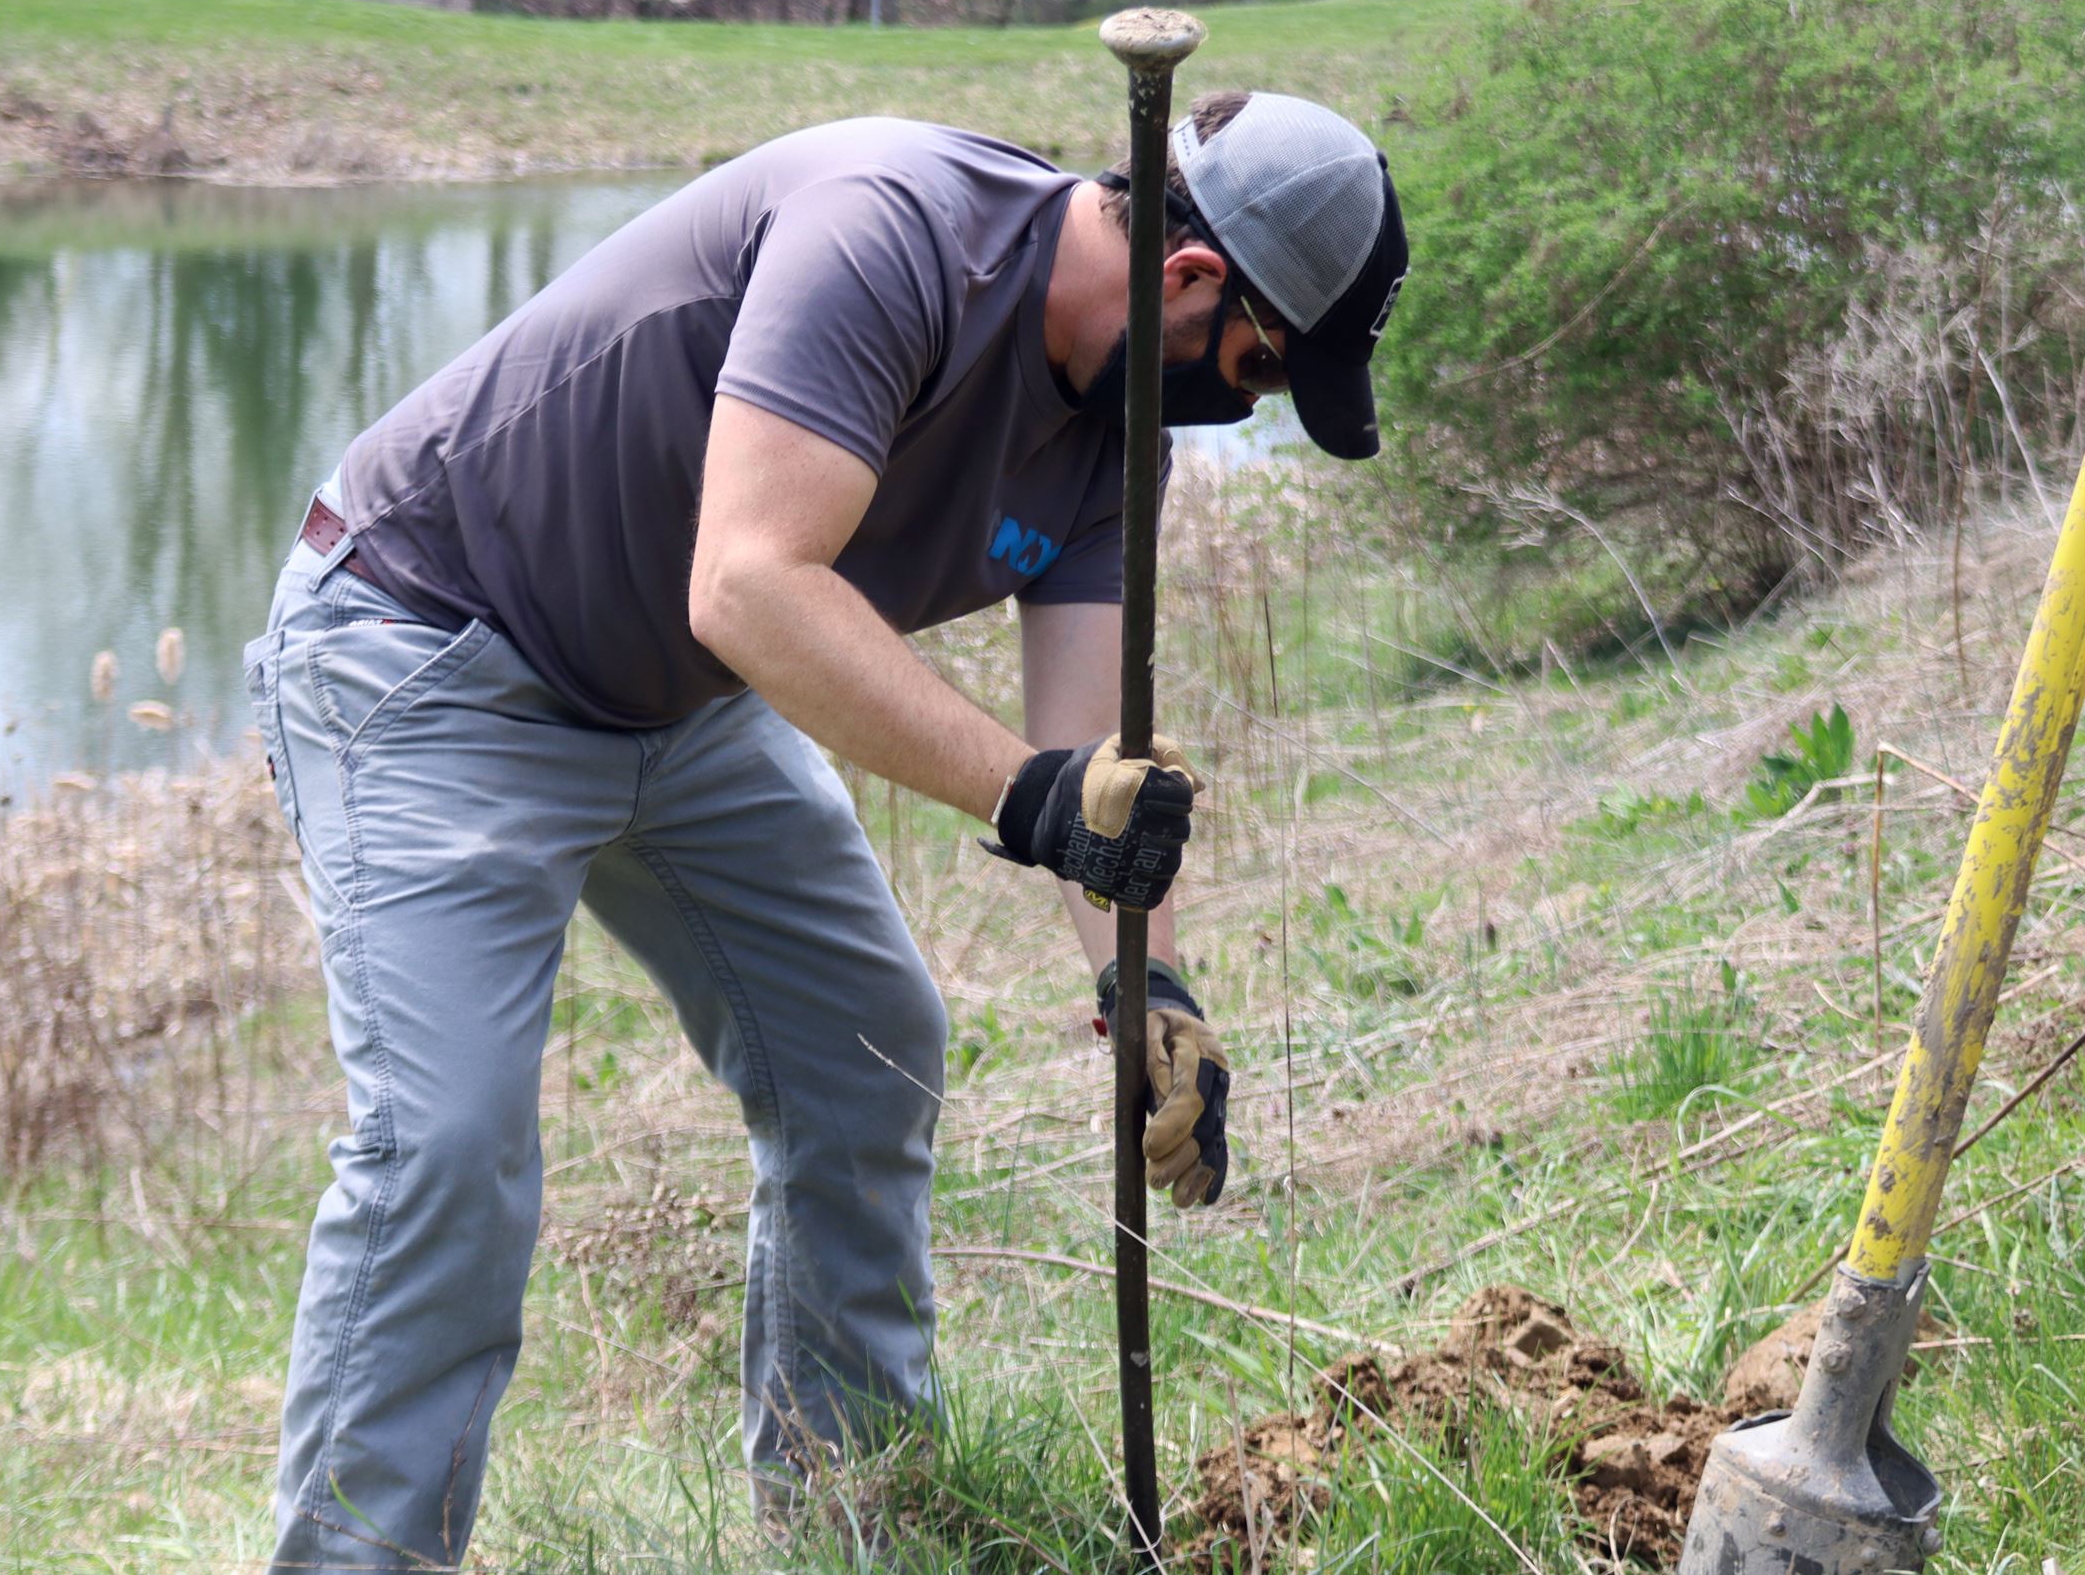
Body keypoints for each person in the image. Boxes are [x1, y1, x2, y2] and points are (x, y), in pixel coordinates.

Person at [243, 88, 1408, 1570]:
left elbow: (1086, 765)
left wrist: (1148, 984)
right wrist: (1020, 798)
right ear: (1191, 277)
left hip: (676, 698)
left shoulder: (1123, 437)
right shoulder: (896, 234)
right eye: (1254, 368)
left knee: (867, 1048)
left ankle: (858, 1524)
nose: (1240, 408)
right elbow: (747, 582)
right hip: (433, 648)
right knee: (448, 1147)